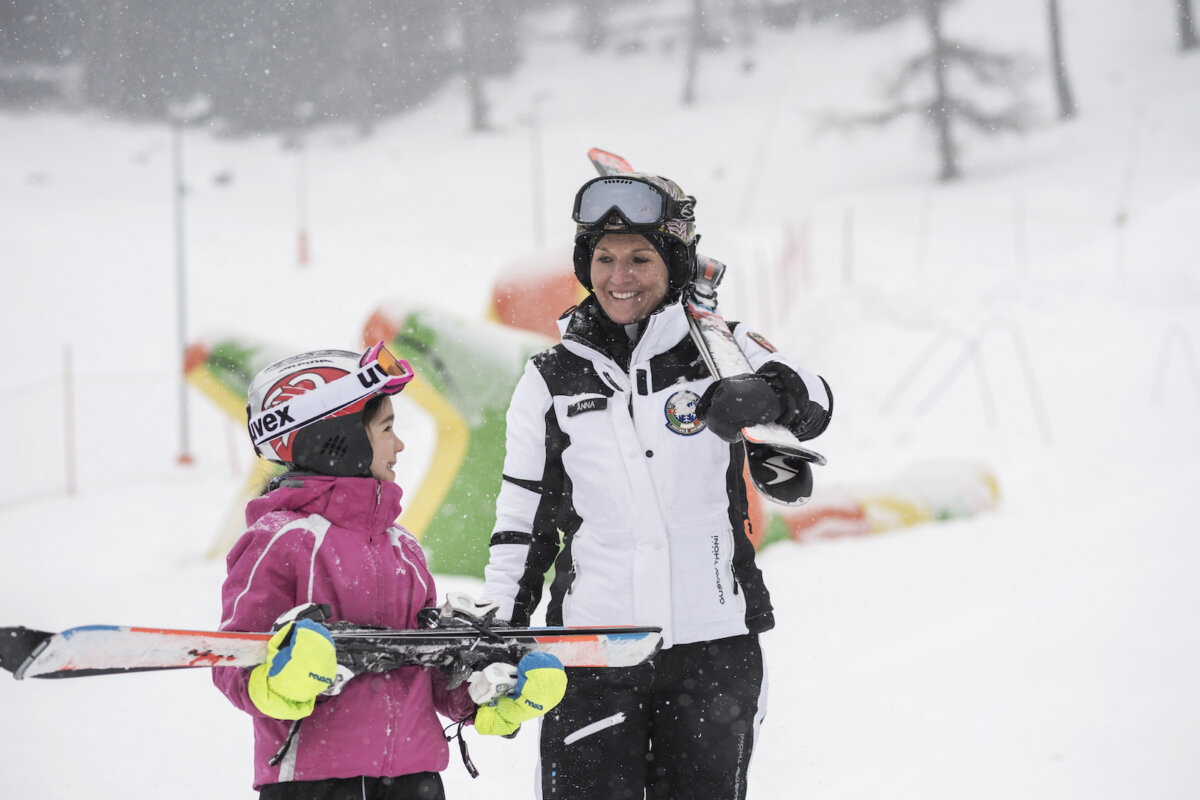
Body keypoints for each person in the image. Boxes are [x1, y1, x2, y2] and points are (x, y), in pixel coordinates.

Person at [481, 170, 833, 799]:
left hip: (713, 649)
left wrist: (768, 393)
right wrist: (503, 633)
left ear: (673, 262)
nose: (620, 277)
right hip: (590, 652)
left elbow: (815, 397)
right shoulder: (551, 378)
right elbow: (522, 520)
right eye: (604, 258)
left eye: (640, 258)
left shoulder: (720, 349)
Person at [214, 342, 567, 800]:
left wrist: (489, 692)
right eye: (386, 428)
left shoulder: (404, 549)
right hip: (312, 783)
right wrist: (279, 679)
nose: (399, 445)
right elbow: (231, 659)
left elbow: (431, 674)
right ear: (337, 439)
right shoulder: (280, 539)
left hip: (413, 780)